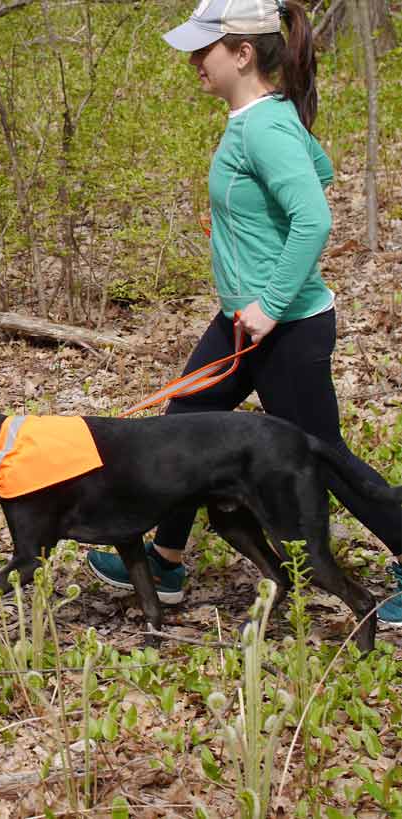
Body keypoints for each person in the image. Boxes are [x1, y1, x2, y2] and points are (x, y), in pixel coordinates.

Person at [87, 0, 402, 624]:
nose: (192, 60)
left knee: (323, 455)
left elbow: (314, 217)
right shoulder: (266, 118)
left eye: (203, 48)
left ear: (242, 54)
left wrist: (272, 302)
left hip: (283, 328)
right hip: (244, 321)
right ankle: (168, 559)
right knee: (183, 427)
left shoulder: (263, 126)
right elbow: (321, 169)